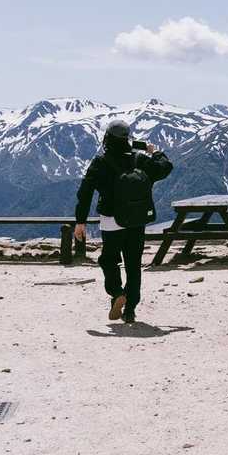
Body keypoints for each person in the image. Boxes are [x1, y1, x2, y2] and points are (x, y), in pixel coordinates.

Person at [73, 119, 173, 323]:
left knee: (109, 260)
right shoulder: (139, 159)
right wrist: (154, 152)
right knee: (133, 264)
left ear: (107, 138)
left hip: (111, 220)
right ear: (127, 139)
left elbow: (85, 192)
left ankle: (117, 292)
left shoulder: (101, 162)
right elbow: (165, 167)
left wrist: (80, 221)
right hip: (137, 219)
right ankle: (130, 309)